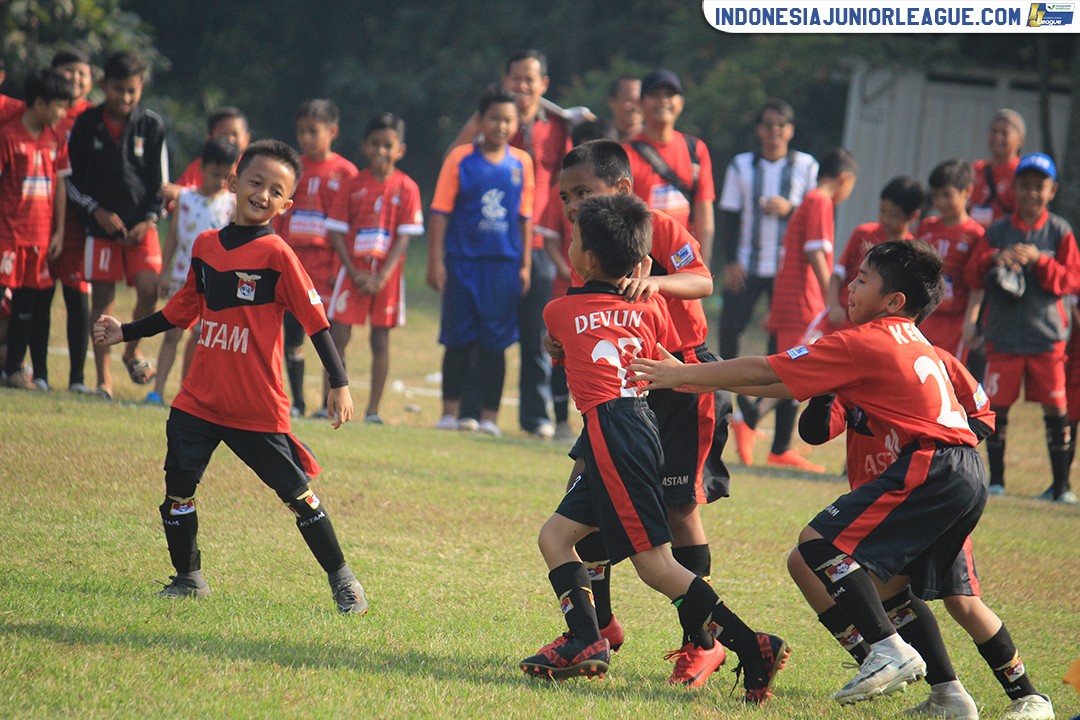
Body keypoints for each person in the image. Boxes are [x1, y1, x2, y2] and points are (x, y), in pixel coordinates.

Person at [631, 240, 988, 707]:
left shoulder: (866, 340)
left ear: (894, 301)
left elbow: (764, 367)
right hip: (965, 472)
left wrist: (683, 376)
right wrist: (689, 378)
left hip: (932, 465)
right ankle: (950, 693)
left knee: (818, 545)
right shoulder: (909, 337)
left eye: (863, 280)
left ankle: (887, 650)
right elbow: (781, 382)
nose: (851, 287)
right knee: (892, 585)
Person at [522, 193, 789, 703]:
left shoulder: (558, 310)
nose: (571, 245)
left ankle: (753, 646)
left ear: (588, 260)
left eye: (575, 239)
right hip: (643, 427)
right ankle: (586, 638)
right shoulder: (649, 307)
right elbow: (671, 368)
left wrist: (554, 345)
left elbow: (563, 346)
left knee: (656, 566)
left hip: (612, 434)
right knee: (556, 536)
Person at [91, 139, 368, 614]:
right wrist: (126, 332)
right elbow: (181, 311)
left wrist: (338, 383)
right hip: (198, 400)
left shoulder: (278, 255)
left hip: (256, 407)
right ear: (234, 183)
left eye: (275, 190)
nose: (262, 194)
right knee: (178, 486)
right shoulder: (206, 246)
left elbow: (315, 320)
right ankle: (189, 578)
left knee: (298, 496)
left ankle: (344, 582)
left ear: (287, 204)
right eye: (255, 182)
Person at [548, 140, 731, 685]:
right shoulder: (587, 243)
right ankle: (598, 627)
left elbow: (702, 279)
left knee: (680, 509)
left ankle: (701, 644)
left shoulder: (654, 226)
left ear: (622, 189)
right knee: (584, 494)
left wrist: (656, 281)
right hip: (623, 390)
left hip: (683, 378)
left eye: (584, 192)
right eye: (565, 196)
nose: (573, 205)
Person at [793, 357, 1056, 720]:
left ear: (896, 303)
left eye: (857, 294)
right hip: (887, 500)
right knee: (887, 591)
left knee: (961, 601)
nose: (851, 298)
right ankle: (942, 691)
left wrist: (926, 449)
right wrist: (822, 392)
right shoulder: (856, 358)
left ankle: (1030, 697)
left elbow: (982, 416)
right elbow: (815, 432)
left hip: (931, 495)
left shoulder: (935, 359)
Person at [448, 50, 572, 438]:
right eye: (515, 78)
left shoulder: (558, 127)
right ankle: (471, 411)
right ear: (505, 81)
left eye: (529, 80)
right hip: (493, 246)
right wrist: (479, 117)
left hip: (538, 244)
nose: (522, 86)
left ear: (543, 85)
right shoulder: (494, 123)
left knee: (537, 334)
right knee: (482, 330)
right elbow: (456, 155)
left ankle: (535, 417)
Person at [966, 152, 1080, 504]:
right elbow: (972, 273)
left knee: (1056, 409)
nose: (1031, 193)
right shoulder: (998, 231)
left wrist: (1041, 261)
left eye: (1039, 187)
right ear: (1014, 188)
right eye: (1025, 186)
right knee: (996, 407)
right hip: (1002, 336)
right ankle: (996, 480)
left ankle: (1060, 486)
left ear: (1052, 190)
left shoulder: (1059, 230)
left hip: (1047, 337)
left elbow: (1072, 279)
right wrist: (996, 258)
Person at [427, 85, 533, 436]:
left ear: (516, 123)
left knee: (495, 343)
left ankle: (489, 418)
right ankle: (449, 412)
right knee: (457, 339)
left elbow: (524, 217)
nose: (501, 126)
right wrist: (435, 260)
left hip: (503, 265)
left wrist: (525, 264)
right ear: (481, 121)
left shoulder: (522, 163)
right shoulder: (460, 158)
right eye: (494, 119)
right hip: (462, 262)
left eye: (508, 120)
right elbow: (441, 211)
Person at [717, 99, 818, 466]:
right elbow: (728, 214)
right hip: (746, 265)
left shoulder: (806, 165)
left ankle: (780, 446)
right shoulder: (742, 164)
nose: (775, 132)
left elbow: (816, 212)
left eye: (782, 125)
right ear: (759, 130)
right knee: (729, 333)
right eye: (768, 125)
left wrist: (789, 209)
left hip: (788, 270)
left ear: (790, 130)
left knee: (789, 351)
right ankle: (743, 409)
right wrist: (729, 261)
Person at [66, 50, 168, 399]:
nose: (125, 98)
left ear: (140, 88)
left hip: (142, 228)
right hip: (100, 228)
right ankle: (103, 381)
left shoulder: (151, 125)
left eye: (132, 91)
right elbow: (71, 179)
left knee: (150, 289)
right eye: (118, 89)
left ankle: (130, 350)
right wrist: (96, 211)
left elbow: (161, 184)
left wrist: (149, 220)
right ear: (104, 85)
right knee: (103, 301)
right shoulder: (86, 123)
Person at [761, 148, 858, 472]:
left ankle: (772, 439)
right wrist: (831, 299)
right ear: (844, 180)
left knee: (793, 368)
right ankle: (749, 415)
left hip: (793, 298)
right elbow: (816, 252)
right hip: (804, 300)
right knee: (795, 369)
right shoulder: (819, 201)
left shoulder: (809, 200)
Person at [326, 112, 424, 424]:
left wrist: (381, 277)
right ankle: (327, 401)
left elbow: (405, 238)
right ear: (365, 147)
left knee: (380, 340)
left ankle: (372, 410)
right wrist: (353, 272)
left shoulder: (407, 188)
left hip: (387, 279)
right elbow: (337, 232)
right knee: (337, 336)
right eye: (375, 144)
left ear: (400, 150)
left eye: (388, 145)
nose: (381, 150)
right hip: (352, 273)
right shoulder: (352, 185)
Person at [275, 99, 358, 417]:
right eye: (301, 131)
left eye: (313, 131)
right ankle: (296, 402)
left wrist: (341, 267)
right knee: (292, 335)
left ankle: (331, 400)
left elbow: (347, 228)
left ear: (332, 131)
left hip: (327, 270)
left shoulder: (346, 172)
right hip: (294, 264)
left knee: (329, 337)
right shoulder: (291, 168)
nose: (306, 138)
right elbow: (280, 214)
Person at [145, 137, 237, 405]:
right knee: (172, 333)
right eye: (214, 174)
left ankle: (190, 394)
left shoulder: (231, 204)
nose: (220, 180)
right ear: (202, 167)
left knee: (202, 340)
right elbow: (173, 237)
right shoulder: (184, 198)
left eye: (225, 175)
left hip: (216, 284)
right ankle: (157, 391)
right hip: (183, 278)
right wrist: (164, 272)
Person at [0, 68, 74, 389]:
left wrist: (57, 232)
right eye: (60, 105)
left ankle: (13, 370)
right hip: (7, 236)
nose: (64, 113)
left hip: (40, 238)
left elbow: (59, 187)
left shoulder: (56, 139)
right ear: (40, 103)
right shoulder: (8, 137)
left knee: (25, 309)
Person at [625, 69, 715, 266]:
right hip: (643, 259)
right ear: (640, 104)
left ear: (680, 103)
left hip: (685, 257)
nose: (662, 101)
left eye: (669, 95)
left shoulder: (695, 150)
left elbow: (703, 211)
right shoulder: (625, 154)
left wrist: (704, 263)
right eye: (654, 95)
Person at [822, 175, 923, 335]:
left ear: (913, 216)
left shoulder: (910, 252)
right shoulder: (863, 233)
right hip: (843, 318)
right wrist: (833, 304)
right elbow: (837, 274)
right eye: (882, 210)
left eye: (894, 215)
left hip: (876, 330)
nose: (885, 219)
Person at [48, 49, 95, 394]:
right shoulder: (44, 110)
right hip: (40, 216)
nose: (76, 79)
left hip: (79, 222)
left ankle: (78, 378)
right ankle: (34, 372)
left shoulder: (94, 116)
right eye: (69, 71)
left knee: (78, 295)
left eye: (83, 73)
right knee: (36, 294)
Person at [916, 160, 986, 361]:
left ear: (967, 192)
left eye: (947, 195)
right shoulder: (926, 227)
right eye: (936, 195)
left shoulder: (976, 234)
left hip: (954, 322)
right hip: (924, 315)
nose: (940, 202)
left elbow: (977, 282)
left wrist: (970, 321)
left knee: (948, 375)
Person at [160, 106, 250, 203]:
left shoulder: (253, 169)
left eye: (235, 134)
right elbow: (176, 195)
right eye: (223, 134)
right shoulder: (201, 166)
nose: (229, 139)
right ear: (209, 137)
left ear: (246, 139)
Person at [970, 109, 1025, 228]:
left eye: (1005, 133)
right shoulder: (977, 168)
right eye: (994, 132)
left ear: (1020, 140)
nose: (997, 137)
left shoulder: (1023, 173)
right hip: (973, 241)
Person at [606, 76, 641, 143]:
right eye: (629, 100)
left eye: (638, 100)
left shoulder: (656, 139)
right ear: (612, 102)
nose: (635, 107)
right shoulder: (599, 140)